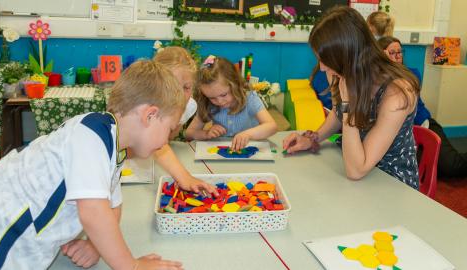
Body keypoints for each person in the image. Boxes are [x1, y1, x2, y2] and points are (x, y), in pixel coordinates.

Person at [0, 60, 211, 270]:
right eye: (170, 128)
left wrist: (95, 244)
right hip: (1, 232)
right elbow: (94, 213)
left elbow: (113, 205)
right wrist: (132, 266)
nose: (166, 141)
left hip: (25, 242)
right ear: (150, 116)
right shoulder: (91, 134)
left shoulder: (113, 148)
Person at [283, 6, 420, 189]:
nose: (322, 68)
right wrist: (312, 139)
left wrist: (348, 104)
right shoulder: (346, 73)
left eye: (326, 60)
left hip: (391, 181)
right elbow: (338, 114)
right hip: (355, 164)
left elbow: (356, 171)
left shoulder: (398, 94)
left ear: (347, 56)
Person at [378, 36, 467, 178]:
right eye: (392, 53)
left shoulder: (411, 74)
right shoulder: (376, 77)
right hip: (405, 136)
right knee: (427, 171)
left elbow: (399, 90)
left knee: (452, 167)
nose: (397, 56)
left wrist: (386, 64)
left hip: (425, 126)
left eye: (400, 52)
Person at [151, 47, 220, 193]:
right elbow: (157, 143)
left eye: (186, 87)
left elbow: (165, 141)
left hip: (159, 161)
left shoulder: (188, 106)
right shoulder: (147, 106)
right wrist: (184, 177)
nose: (180, 95)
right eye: (173, 87)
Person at [186, 56, 277, 151]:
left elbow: (272, 126)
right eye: (212, 98)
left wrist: (247, 134)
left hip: (250, 150)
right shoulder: (207, 103)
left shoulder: (250, 98)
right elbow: (189, 133)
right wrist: (206, 133)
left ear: (235, 84)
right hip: (222, 154)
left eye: (224, 94)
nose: (219, 101)